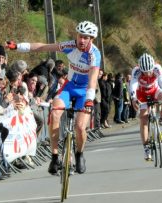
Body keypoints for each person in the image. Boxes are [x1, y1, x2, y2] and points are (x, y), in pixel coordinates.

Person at [6, 20, 101, 174]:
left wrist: (90, 99)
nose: (81, 40)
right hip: (69, 86)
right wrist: (18, 46)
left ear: (91, 39)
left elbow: (93, 79)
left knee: (80, 127)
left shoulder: (94, 54)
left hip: (85, 90)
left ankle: (79, 154)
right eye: (80, 36)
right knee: (55, 113)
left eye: (86, 37)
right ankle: (55, 156)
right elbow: (43, 47)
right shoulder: (70, 46)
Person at [129, 53, 162, 161]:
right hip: (141, 95)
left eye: (149, 71)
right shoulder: (136, 71)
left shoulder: (157, 68)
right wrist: (133, 98)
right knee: (143, 119)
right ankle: (146, 148)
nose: (147, 74)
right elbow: (132, 84)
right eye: (144, 72)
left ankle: (161, 122)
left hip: (155, 91)